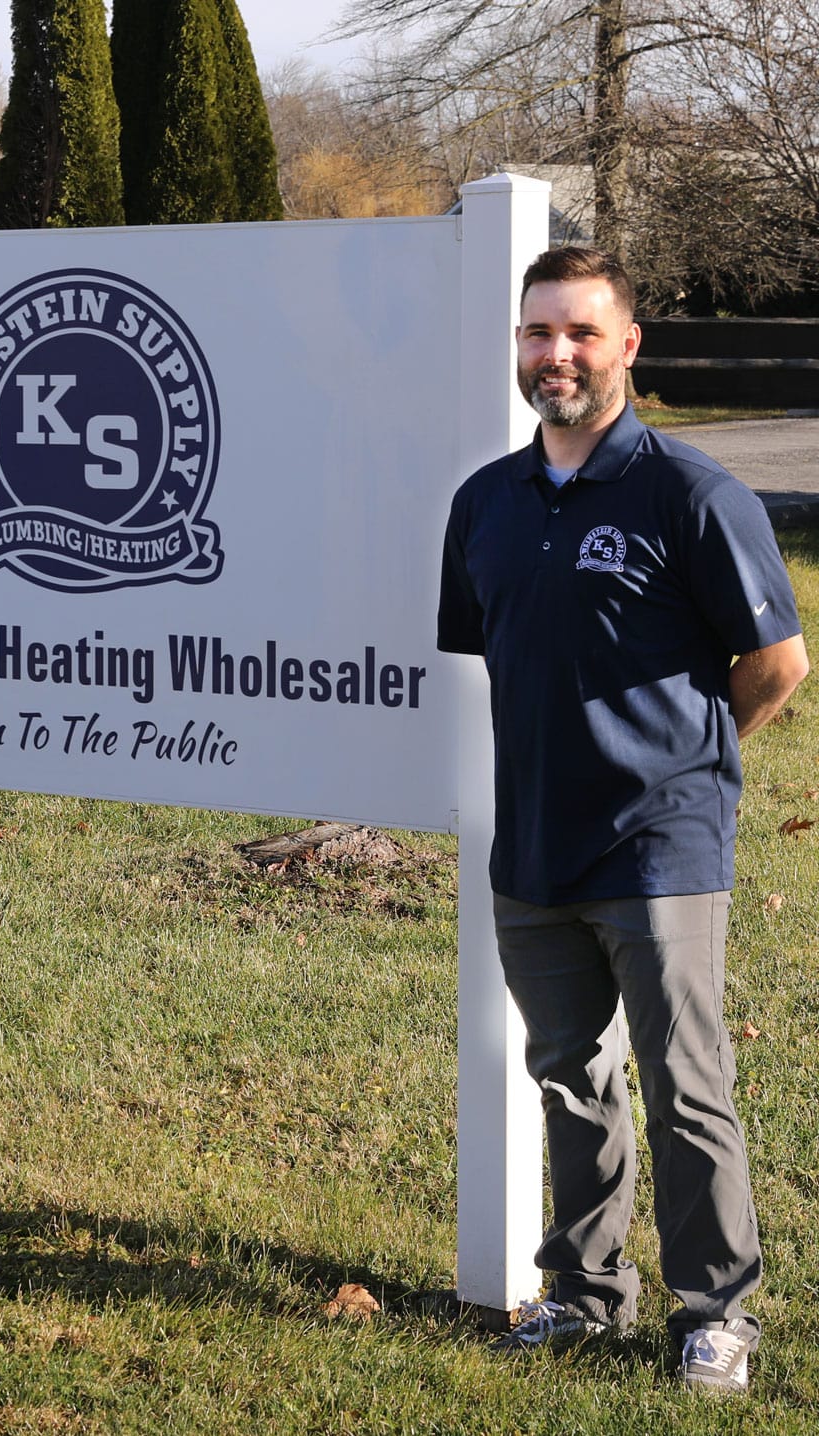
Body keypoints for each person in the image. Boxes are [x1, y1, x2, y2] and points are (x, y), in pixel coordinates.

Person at [438, 246, 808, 1393]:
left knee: (683, 1082)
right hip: (533, 841)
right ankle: (590, 1293)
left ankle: (718, 1310)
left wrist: (687, 763)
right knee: (571, 1078)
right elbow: (491, 652)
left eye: (582, 333)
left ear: (628, 347)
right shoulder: (486, 500)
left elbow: (778, 661)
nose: (557, 354)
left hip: (660, 843)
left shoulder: (692, 494)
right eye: (539, 332)